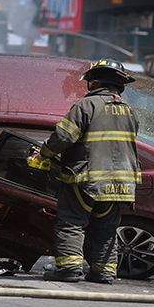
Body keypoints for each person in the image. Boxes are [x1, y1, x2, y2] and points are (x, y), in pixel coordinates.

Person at [27, 59, 141, 283]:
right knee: (106, 229)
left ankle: (69, 269)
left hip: (86, 180)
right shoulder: (130, 112)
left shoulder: (85, 106)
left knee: (71, 223)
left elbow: (63, 137)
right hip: (121, 184)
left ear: (94, 83)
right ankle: (104, 272)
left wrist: (43, 155)